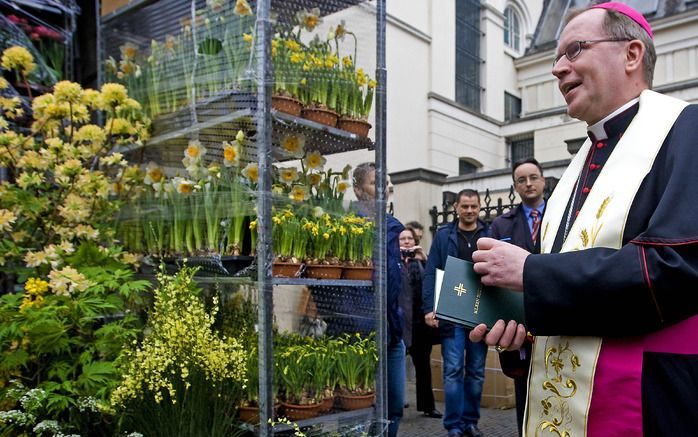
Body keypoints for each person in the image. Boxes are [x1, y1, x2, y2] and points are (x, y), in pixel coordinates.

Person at [470, 2, 698, 436]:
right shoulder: (580, 164)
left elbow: (676, 269)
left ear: (632, 55)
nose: (558, 69)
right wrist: (520, 326)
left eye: (574, 50)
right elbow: (562, 287)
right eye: (556, 58)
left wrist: (531, 272)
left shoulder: (687, 129)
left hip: (648, 394)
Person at [422, 189, 488, 437]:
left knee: (477, 371)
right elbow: (431, 271)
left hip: (481, 312)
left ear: (479, 207)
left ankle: (470, 421)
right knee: (452, 370)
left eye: (473, 206)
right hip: (450, 313)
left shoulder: (490, 234)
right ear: (456, 208)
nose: (469, 211)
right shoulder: (443, 236)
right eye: (465, 206)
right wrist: (429, 308)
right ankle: (454, 426)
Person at [488, 157, 546, 436]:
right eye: (521, 180)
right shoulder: (502, 225)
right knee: (524, 386)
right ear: (515, 186)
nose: (528, 183)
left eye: (533, 177)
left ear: (543, 181)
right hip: (519, 317)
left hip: (555, 310)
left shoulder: (561, 217)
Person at [352, 162, 405, 437]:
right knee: (364, 406)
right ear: (358, 190)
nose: (383, 189)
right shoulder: (347, 226)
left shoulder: (392, 228)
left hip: (392, 333)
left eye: (386, 184)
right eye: (376, 183)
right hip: (361, 333)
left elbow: (395, 282)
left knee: (394, 406)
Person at [397, 227, 442, 419]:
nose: (407, 241)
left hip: (419, 322)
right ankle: (395, 403)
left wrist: (425, 259)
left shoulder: (423, 261)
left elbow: (433, 283)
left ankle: (427, 406)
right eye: (403, 239)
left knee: (423, 365)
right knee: (395, 364)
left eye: (410, 238)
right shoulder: (393, 262)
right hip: (398, 321)